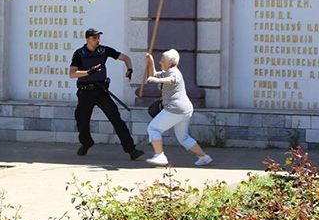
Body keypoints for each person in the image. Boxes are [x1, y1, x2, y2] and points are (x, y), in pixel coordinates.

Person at [69, 28, 144, 160]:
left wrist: (129, 69)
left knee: (116, 119)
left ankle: (131, 150)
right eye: (94, 38)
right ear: (87, 39)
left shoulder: (104, 51)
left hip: (101, 91)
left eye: (98, 38)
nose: (97, 40)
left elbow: (125, 58)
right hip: (85, 92)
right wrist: (89, 72)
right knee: (82, 121)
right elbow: (72, 74)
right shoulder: (79, 54)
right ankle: (86, 143)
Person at [145, 49, 213, 166]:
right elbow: (153, 75)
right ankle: (204, 157)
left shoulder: (174, 73)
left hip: (175, 109)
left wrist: (157, 80)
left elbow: (170, 80)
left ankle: (160, 155)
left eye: (162, 60)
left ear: (170, 62)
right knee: (183, 138)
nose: (160, 62)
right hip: (184, 110)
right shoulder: (167, 71)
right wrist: (150, 62)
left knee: (153, 128)